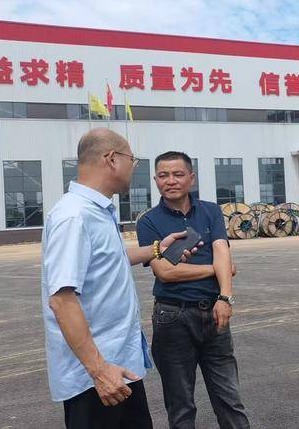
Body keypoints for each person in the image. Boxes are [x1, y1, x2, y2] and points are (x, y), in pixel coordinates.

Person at [42, 128, 198, 428]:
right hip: (96, 377)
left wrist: (158, 249)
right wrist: (99, 370)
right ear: (112, 159)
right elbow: (61, 299)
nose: (133, 167)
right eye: (131, 159)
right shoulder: (74, 217)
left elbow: (110, 259)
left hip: (120, 366)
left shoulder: (98, 211)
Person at [136, 151, 249, 429]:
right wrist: (216, 269)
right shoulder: (148, 221)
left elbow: (222, 250)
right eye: (163, 175)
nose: (170, 181)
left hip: (214, 312)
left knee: (230, 401)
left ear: (191, 178)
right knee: (181, 407)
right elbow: (165, 272)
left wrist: (225, 297)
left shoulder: (211, 211)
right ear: (155, 180)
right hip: (172, 317)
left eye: (178, 174)